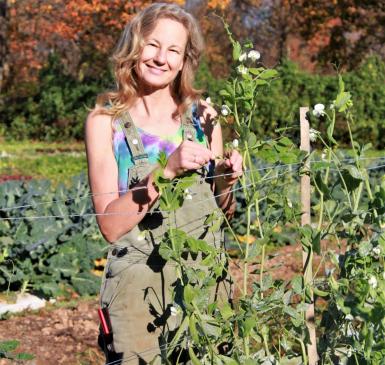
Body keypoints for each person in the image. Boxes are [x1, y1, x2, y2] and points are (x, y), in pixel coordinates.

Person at [85, 3, 242, 364]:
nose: (161, 58)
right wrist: (165, 171)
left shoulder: (204, 116)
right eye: (153, 45)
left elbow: (223, 216)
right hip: (139, 293)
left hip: (205, 285)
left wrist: (225, 182)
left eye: (173, 50)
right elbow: (109, 225)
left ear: (185, 59)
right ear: (134, 47)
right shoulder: (106, 121)